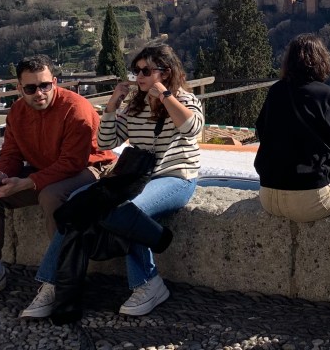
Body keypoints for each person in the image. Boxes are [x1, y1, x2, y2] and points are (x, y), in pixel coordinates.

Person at [21, 43, 203, 319]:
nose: (139, 76)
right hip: (137, 177)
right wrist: (111, 107)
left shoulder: (185, 100)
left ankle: (148, 283)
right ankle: (53, 283)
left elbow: (192, 129)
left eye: (146, 71)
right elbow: (106, 141)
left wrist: (165, 96)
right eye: (136, 70)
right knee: (76, 205)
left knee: (130, 211)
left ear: (165, 73)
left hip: (176, 177)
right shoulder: (135, 106)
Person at [0, 55, 115, 307]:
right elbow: (11, 153)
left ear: (55, 82)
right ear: (20, 89)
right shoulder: (17, 111)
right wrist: (2, 175)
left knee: (51, 195)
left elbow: (72, 162)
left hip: (90, 167)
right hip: (46, 170)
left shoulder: (76, 108)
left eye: (45, 85)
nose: (39, 93)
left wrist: (27, 183)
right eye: (30, 88)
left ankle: (59, 278)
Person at [255, 33, 330, 222]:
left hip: (267, 196)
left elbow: (261, 130)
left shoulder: (276, 90)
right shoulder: (324, 94)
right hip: (307, 199)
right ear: (321, 60)